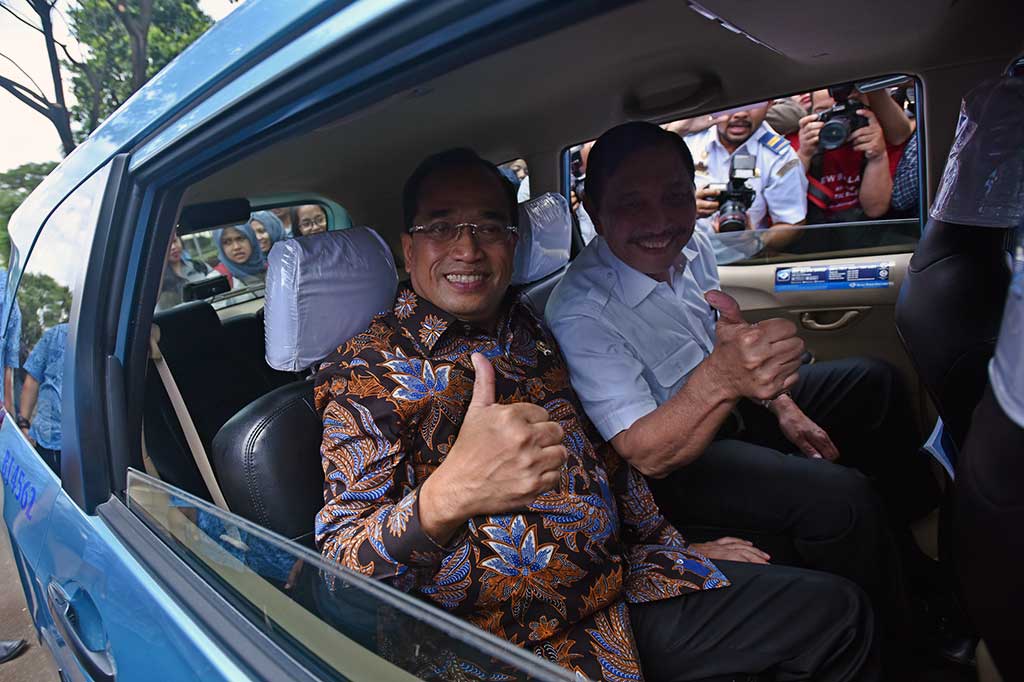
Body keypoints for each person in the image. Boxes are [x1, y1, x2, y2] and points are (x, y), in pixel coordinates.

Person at [314, 147, 879, 681]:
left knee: (835, 603)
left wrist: (668, 549)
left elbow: (601, 461)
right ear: (407, 248)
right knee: (837, 615)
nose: (467, 248)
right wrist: (447, 496)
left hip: (618, 580)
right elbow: (336, 580)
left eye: (490, 227)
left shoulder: (524, 327)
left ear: (513, 243)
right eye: (440, 227)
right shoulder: (367, 373)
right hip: (514, 641)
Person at [545, 122, 940, 669]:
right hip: (676, 462)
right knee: (840, 498)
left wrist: (783, 404)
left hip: (730, 406)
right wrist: (727, 381)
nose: (660, 222)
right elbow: (648, 453)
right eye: (631, 202)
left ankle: (908, 539)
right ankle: (909, 647)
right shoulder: (582, 311)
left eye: (675, 197)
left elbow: (723, 331)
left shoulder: (693, 242)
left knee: (872, 383)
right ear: (592, 209)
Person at [680, 101, 808, 257]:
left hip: (742, 262)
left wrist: (753, 242)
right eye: (733, 104)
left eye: (752, 103)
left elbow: (792, 223)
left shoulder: (782, 157)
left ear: (770, 104)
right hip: (680, 256)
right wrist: (684, 208)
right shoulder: (686, 138)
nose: (741, 113)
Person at [794, 87, 913, 228]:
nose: (837, 120)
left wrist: (878, 157)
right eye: (825, 112)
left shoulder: (879, 139)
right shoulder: (802, 141)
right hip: (817, 232)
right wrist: (804, 154)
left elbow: (875, 209)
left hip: (865, 232)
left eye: (847, 110)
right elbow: (783, 205)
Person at [18, 322, 68, 474]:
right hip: (51, 440)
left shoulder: (56, 334)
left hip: (50, 438)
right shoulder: (56, 334)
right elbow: (32, 380)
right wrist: (23, 424)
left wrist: (23, 423)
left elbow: (32, 381)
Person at [156, 231, 213, 310]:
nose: (173, 247)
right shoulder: (156, 281)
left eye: (175, 241)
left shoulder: (200, 266)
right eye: (167, 244)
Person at [213, 224, 266, 289]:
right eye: (227, 242)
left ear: (251, 239)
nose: (236, 247)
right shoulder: (217, 278)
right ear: (220, 247)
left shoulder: (271, 267)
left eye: (240, 238)